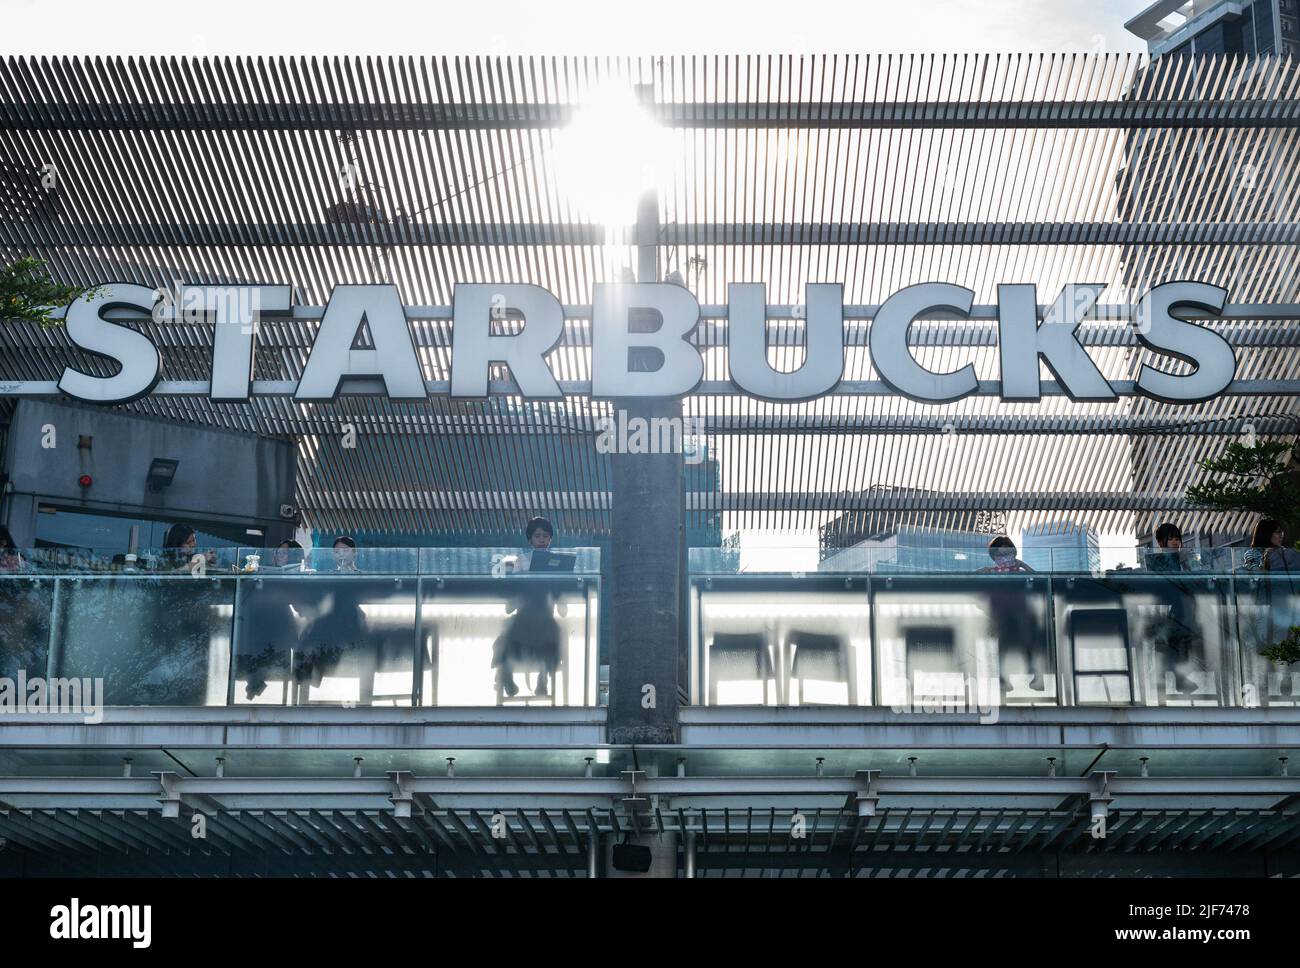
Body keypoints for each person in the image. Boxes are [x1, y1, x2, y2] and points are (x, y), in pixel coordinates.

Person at [492, 517, 567, 698]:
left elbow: (562, 609)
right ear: (530, 540)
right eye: (537, 536)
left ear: (550, 540)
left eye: (546, 536)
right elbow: (509, 606)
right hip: (524, 620)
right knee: (503, 640)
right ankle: (507, 677)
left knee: (553, 634)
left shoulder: (557, 563)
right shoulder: (519, 562)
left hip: (543, 621)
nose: (541, 540)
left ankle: (542, 680)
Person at [977, 537, 1045, 694]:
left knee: (1026, 638)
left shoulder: (1018, 571)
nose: (1004, 559)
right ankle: (1002, 679)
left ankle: (1033, 673)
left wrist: (1022, 564)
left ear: (1013, 553)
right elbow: (972, 577)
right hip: (1000, 611)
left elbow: (1039, 577)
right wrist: (986, 570)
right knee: (1003, 642)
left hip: (1018, 609)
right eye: (1000, 555)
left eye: (1007, 554)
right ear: (994, 557)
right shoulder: (992, 571)